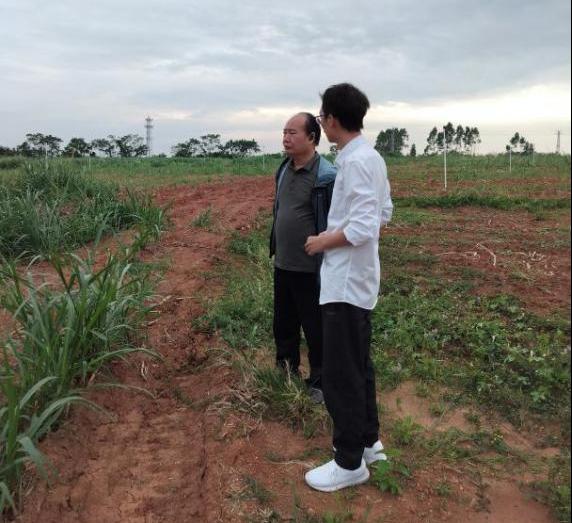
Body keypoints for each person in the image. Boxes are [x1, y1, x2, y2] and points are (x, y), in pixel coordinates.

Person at [304, 83, 393, 491]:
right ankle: (369, 441)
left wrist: (323, 241)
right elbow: (383, 212)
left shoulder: (355, 163)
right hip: (360, 279)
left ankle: (349, 460)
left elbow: (362, 227)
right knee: (359, 366)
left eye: (322, 116)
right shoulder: (370, 158)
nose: (322, 122)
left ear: (333, 119)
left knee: (341, 373)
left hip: (344, 283)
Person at [269, 112, 337, 402]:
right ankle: (286, 369)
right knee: (284, 323)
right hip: (284, 263)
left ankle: (320, 380)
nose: (286, 138)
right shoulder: (283, 169)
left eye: (292, 133)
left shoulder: (327, 176)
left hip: (312, 269)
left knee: (315, 327)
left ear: (312, 137)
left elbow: (335, 222)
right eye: (284, 132)